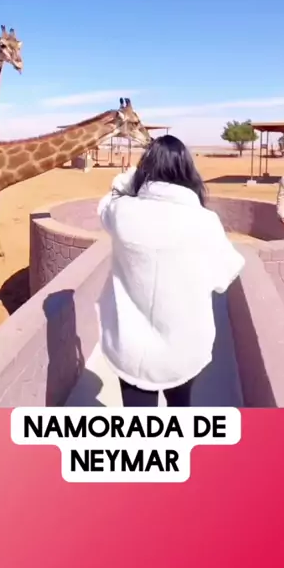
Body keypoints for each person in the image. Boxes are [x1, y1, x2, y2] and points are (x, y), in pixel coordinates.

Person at [96, 135, 245, 408]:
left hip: (130, 348)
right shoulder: (205, 221)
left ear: (146, 168)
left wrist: (129, 178)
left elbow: (107, 202)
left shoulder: (121, 212)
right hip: (183, 349)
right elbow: (224, 277)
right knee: (181, 411)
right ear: (187, 169)